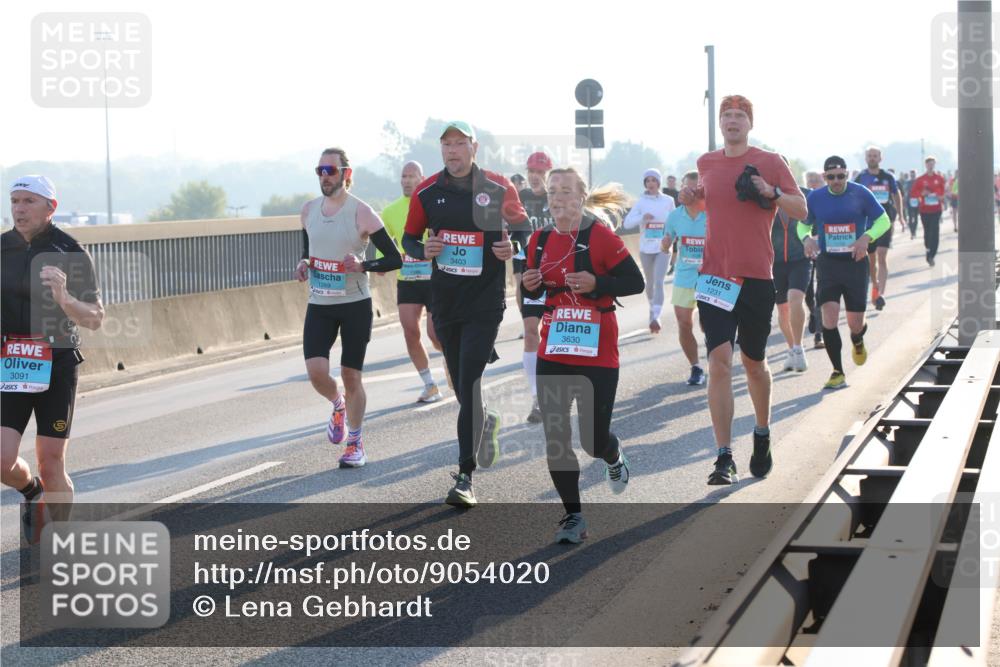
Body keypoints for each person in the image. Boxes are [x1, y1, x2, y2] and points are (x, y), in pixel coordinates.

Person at [685, 94, 806, 485]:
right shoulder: (706, 162)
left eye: (739, 115)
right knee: (720, 361)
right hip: (715, 276)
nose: (732, 121)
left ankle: (762, 431)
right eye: (727, 115)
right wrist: (692, 200)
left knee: (754, 364)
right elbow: (707, 205)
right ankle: (724, 456)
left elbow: (800, 208)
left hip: (755, 277)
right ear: (720, 123)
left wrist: (771, 192)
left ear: (750, 124)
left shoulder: (770, 161)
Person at [403, 121, 523, 507]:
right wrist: (425, 250)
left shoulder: (498, 187)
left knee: (469, 382)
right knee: (460, 386)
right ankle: (484, 421)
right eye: (446, 145)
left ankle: (465, 477)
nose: (452, 151)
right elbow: (409, 237)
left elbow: (523, 230)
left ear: (474, 147)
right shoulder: (427, 191)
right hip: (446, 302)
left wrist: (512, 250)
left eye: (459, 143)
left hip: (485, 303)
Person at [521, 167, 644, 543]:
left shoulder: (601, 237)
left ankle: (611, 453)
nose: (557, 198)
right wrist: (530, 285)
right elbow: (532, 296)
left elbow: (635, 282)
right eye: (552, 191)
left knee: (591, 439)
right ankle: (573, 517)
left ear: (580, 197)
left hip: (598, 352)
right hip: (555, 347)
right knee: (556, 437)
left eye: (565, 191)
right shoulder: (538, 240)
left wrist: (598, 283)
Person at [2, 175, 105, 544]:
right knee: (2, 460)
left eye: (29, 201)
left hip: (56, 362)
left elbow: (94, 317)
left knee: (51, 460)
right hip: (12, 362)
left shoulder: (70, 251)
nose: (19, 208)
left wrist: (64, 298)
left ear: (51, 207)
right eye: (14, 200)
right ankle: (32, 492)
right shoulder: (2, 248)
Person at [295, 148, 402, 468]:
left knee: (351, 375)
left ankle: (354, 444)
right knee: (316, 372)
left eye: (330, 170)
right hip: (320, 304)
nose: (324, 176)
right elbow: (309, 248)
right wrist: (303, 262)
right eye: (320, 171)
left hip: (355, 304)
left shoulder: (363, 213)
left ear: (346, 173)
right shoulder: (308, 210)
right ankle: (336, 403)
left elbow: (394, 259)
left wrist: (362, 264)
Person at [801, 156, 891, 390]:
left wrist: (866, 237)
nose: (837, 181)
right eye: (831, 177)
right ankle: (837, 371)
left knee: (855, 323)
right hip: (828, 265)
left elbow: (883, 220)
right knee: (829, 318)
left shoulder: (860, 193)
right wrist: (806, 238)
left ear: (847, 174)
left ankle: (858, 338)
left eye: (841, 176)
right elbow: (802, 224)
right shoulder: (816, 197)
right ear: (824, 177)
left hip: (854, 265)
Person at [379, 160, 443, 403]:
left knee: (435, 334)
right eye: (403, 176)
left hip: (433, 278)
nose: (406, 180)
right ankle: (430, 384)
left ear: (421, 178)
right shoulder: (390, 211)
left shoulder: (432, 204)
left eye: (411, 176)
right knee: (410, 331)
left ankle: (452, 360)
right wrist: (381, 263)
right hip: (407, 279)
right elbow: (384, 242)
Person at [512, 152, 554, 424]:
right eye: (530, 171)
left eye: (540, 171)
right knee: (530, 333)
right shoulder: (519, 200)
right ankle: (537, 399)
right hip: (529, 271)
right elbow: (514, 238)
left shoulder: (557, 199)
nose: (534, 176)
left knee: (553, 336)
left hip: (557, 271)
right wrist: (518, 281)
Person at [662, 171, 707, 385]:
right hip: (684, 275)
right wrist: (665, 244)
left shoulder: (712, 214)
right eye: (686, 188)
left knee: (709, 324)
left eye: (695, 189)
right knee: (683, 323)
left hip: (710, 275)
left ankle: (716, 355)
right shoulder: (674, 215)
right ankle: (696, 367)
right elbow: (667, 241)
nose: (689, 193)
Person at [771, 161, 812, 372]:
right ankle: (792, 350)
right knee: (783, 309)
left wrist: (814, 239)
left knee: (796, 298)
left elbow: (818, 221)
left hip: (800, 258)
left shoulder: (805, 194)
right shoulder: (765, 198)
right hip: (775, 262)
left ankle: (799, 348)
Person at [623, 168, 675, 333]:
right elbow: (627, 224)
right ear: (645, 183)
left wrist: (671, 236)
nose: (651, 183)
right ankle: (652, 308)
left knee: (659, 281)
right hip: (646, 247)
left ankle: (655, 316)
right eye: (648, 181)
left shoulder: (668, 200)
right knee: (650, 282)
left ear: (659, 182)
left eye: (654, 180)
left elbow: (675, 221)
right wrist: (642, 218)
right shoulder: (641, 202)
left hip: (663, 246)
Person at [854, 146, 904, 311]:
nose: (872, 158)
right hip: (868, 224)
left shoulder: (888, 177)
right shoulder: (861, 177)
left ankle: (880, 294)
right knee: (871, 260)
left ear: (880, 158)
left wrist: (901, 216)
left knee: (882, 256)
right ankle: (874, 285)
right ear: (866, 158)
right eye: (870, 156)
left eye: (875, 156)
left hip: (885, 221)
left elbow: (897, 195)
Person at [910, 156, 946, 266]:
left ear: (935, 165)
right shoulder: (920, 180)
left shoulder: (939, 178)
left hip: (936, 209)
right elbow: (913, 193)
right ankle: (928, 249)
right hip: (924, 209)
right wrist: (922, 194)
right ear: (926, 165)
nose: (931, 166)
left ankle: (931, 255)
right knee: (927, 232)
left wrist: (940, 197)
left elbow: (944, 193)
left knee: (935, 231)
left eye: (933, 164)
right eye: (929, 164)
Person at [804, 171, 825, 350]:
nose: (812, 184)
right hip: (809, 248)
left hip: (826, 249)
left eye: (816, 181)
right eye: (809, 181)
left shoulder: (827, 198)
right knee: (808, 290)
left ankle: (819, 334)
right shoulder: (804, 199)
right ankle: (812, 313)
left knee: (821, 290)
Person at [904, 168, 920, 239]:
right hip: (909, 201)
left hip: (917, 201)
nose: (913, 175)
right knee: (910, 218)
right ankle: (912, 232)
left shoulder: (918, 181)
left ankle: (914, 231)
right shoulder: (907, 183)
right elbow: (905, 192)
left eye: (914, 174)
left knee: (916, 218)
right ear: (910, 175)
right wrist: (904, 201)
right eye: (911, 174)